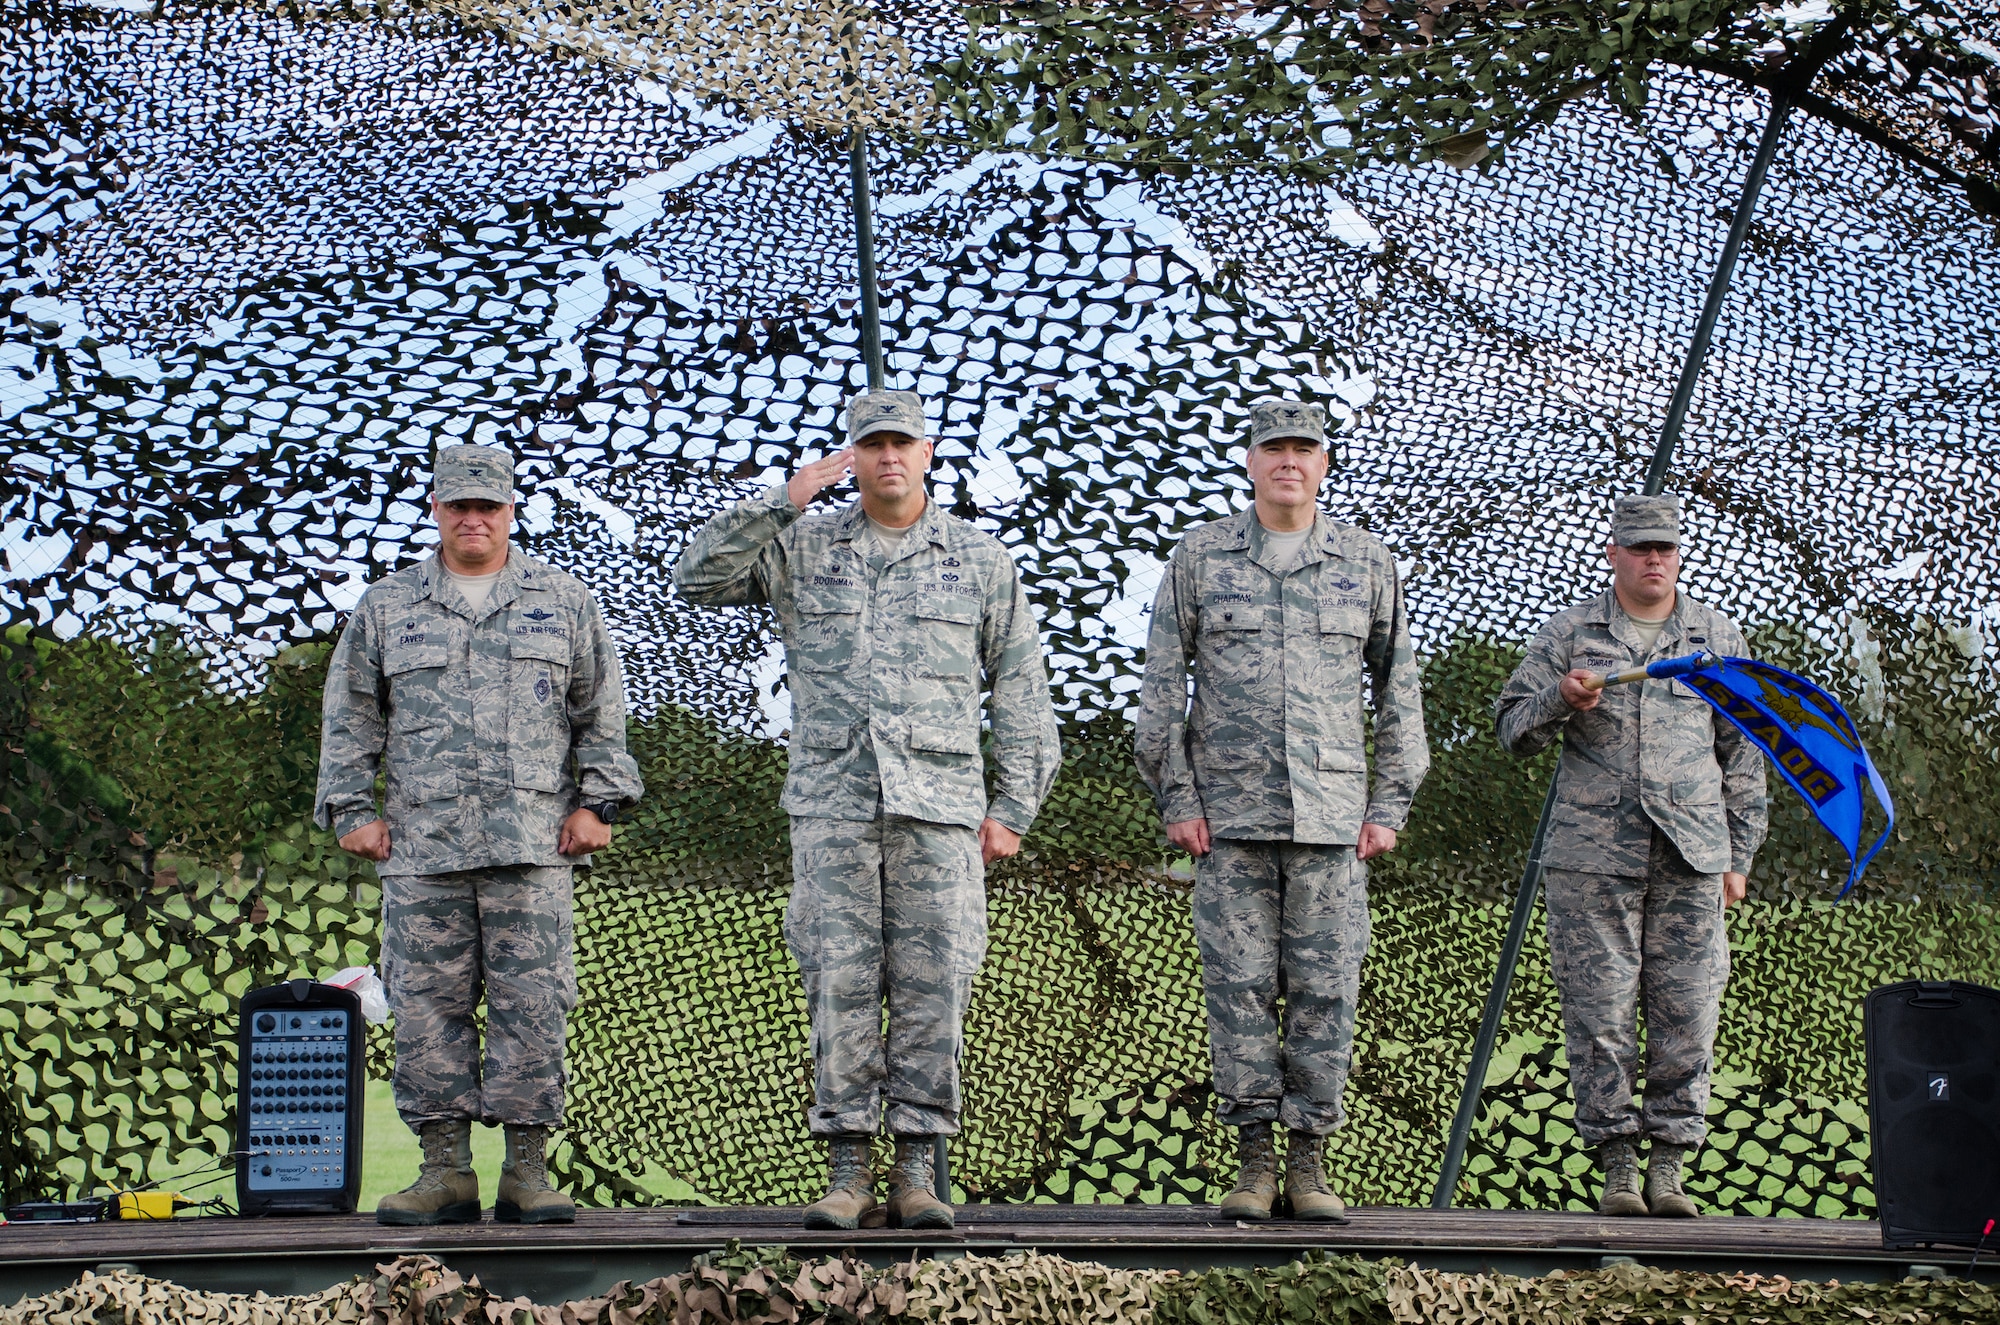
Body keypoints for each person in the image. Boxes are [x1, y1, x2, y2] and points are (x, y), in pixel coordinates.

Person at [673, 390, 1060, 1231]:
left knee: (935, 986)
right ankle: (847, 1169)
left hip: (940, 811)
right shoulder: (802, 548)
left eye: (902, 443)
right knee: (838, 983)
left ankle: (918, 1170)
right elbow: (696, 577)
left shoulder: (977, 558)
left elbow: (1023, 688)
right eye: (871, 444)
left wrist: (1014, 806)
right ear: (852, 456)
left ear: (928, 453)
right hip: (834, 807)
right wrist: (785, 497)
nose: (888, 457)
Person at [315, 443, 643, 1226]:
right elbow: (351, 712)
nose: (473, 518)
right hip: (423, 850)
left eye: (487, 506)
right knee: (427, 1007)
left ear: (510, 510)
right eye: (458, 505)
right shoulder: (388, 606)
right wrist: (351, 807)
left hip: (535, 846)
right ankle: (444, 1170)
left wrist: (600, 802)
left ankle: (526, 1171)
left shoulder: (563, 600)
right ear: (436, 509)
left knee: (534, 1005)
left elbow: (600, 710)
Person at [1134, 398, 1429, 1221]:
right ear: (1252, 463)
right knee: (1237, 991)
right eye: (1274, 449)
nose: (1288, 461)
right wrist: (1177, 798)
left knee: (1327, 991)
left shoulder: (1365, 561)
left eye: (1304, 448)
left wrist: (1390, 803)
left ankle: (1309, 1164)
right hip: (1226, 820)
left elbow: (1398, 691)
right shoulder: (1201, 558)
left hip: (1332, 822)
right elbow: (1162, 689)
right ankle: (1255, 1164)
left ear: (1323, 463)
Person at [1495, 493, 1767, 1218]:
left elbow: (1744, 753)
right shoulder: (1572, 632)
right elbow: (1512, 729)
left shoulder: (1715, 638)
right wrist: (1559, 699)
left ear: (1679, 555)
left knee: (1689, 1010)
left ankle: (1669, 1168)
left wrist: (1739, 854)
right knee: (1600, 1012)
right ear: (1613, 552)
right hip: (1593, 858)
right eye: (1640, 547)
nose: (1654, 559)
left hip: (1693, 853)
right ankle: (1618, 1166)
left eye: (1666, 548)